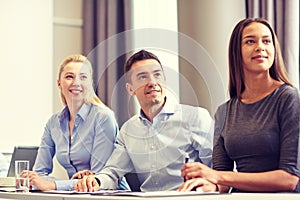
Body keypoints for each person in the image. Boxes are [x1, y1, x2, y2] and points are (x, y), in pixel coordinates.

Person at [178, 18, 300, 193]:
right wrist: (206, 186)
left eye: (266, 41)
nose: (260, 47)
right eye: (250, 41)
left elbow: (289, 178)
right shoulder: (224, 112)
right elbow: (222, 179)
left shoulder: (288, 98)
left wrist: (217, 177)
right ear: (236, 51)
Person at [74, 50, 214, 192]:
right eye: (142, 77)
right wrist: (96, 180)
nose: (152, 82)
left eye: (157, 75)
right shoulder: (128, 131)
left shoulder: (196, 117)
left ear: (164, 80)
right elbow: (113, 173)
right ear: (130, 89)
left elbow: (219, 170)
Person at [27, 54, 129, 191]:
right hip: (77, 194)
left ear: (90, 83)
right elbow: (39, 173)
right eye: (69, 77)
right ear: (59, 83)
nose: (76, 82)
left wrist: (54, 185)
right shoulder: (53, 123)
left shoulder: (103, 118)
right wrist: (39, 181)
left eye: (83, 77)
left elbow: (97, 179)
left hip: (110, 195)